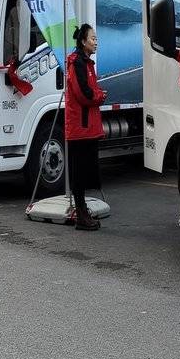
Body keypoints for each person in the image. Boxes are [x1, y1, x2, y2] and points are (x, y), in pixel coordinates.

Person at [65, 23, 106, 230]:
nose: (96, 42)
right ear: (83, 41)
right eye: (92, 39)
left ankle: (82, 212)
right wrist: (100, 96)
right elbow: (84, 94)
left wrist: (97, 94)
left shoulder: (85, 63)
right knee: (79, 172)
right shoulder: (77, 63)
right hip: (80, 127)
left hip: (86, 126)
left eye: (96, 39)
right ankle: (81, 216)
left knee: (84, 170)